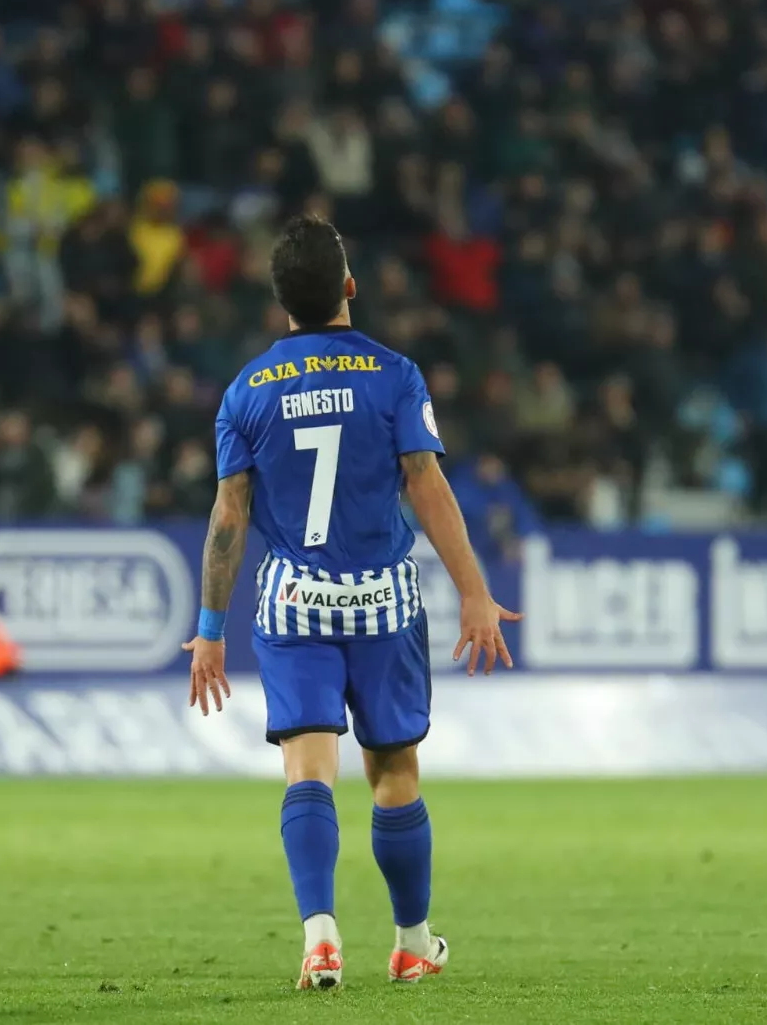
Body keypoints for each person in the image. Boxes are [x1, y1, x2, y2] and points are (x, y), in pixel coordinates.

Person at [181, 216, 520, 989]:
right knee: (394, 768)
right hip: (381, 600)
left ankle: (321, 935)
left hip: (294, 601)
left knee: (308, 768)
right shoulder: (394, 374)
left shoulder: (247, 390)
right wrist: (475, 592)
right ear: (349, 288)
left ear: (280, 302)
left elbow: (229, 513)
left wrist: (208, 631)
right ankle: (410, 941)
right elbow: (426, 486)